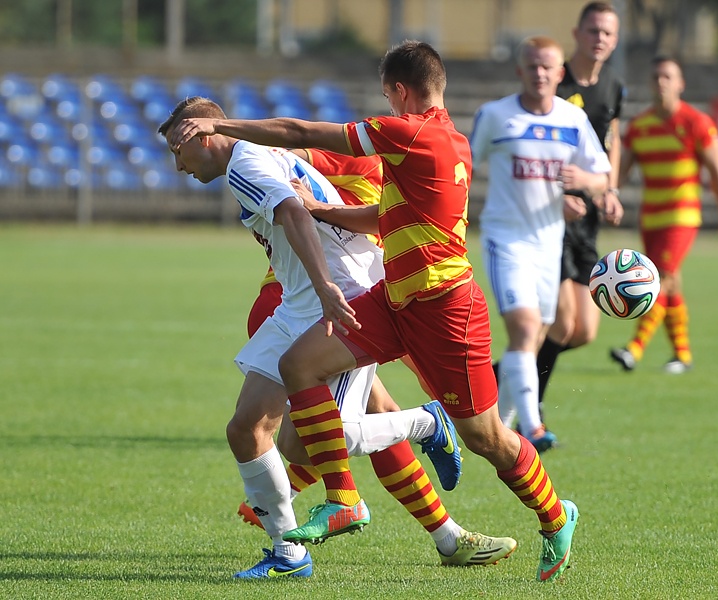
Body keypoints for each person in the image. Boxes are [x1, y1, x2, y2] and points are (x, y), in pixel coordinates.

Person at [170, 40, 580, 583]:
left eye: (389, 96)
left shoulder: (410, 132)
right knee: (300, 366)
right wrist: (324, 208)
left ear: (401, 91)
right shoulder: (447, 143)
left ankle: (555, 516)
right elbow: (388, 219)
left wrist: (226, 127)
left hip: (445, 308)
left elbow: (298, 133)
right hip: (394, 299)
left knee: (487, 439)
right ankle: (344, 498)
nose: (385, 106)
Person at [158, 98, 466, 579]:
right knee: (246, 430)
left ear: (204, 136)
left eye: (179, 151)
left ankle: (426, 424)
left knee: (308, 447)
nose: (178, 166)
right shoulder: (258, 154)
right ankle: (288, 554)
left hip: (341, 297)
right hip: (299, 303)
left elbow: (295, 214)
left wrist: (325, 288)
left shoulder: (244, 163)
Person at [238, 148, 517, 568]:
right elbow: (297, 153)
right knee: (309, 435)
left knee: (333, 428)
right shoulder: (372, 163)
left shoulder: (404, 176)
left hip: (329, 302)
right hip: (308, 300)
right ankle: (439, 521)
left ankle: (443, 534)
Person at [470, 35, 611, 452]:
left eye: (547, 67)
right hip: (506, 239)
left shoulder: (572, 120)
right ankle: (532, 428)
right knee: (526, 329)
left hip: (551, 243)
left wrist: (582, 186)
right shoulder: (495, 116)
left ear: (560, 73)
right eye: (531, 66)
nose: (539, 73)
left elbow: (601, 176)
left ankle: (502, 430)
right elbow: (464, 165)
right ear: (519, 71)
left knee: (532, 341)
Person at [610, 55, 718, 374]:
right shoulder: (639, 127)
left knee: (660, 279)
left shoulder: (697, 123)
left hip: (682, 217)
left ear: (680, 84)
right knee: (671, 284)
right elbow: (620, 174)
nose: (661, 82)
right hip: (650, 219)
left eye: (667, 76)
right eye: (656, 76)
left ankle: (634, 348)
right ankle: (682, 354)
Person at [534, 2, 625, 425]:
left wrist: (610, 188)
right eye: (593, 31)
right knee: (562, 322)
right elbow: (533, 147)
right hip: (551, 218)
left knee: (584, 331)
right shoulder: (555, 82)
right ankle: (529, 407)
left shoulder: (612, 87)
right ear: (577, 33)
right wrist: (557, 192)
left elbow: (612, 141)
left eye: (607, 32)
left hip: (586, 222)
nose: (600, 38)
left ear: (616, 38)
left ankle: (504, 377)